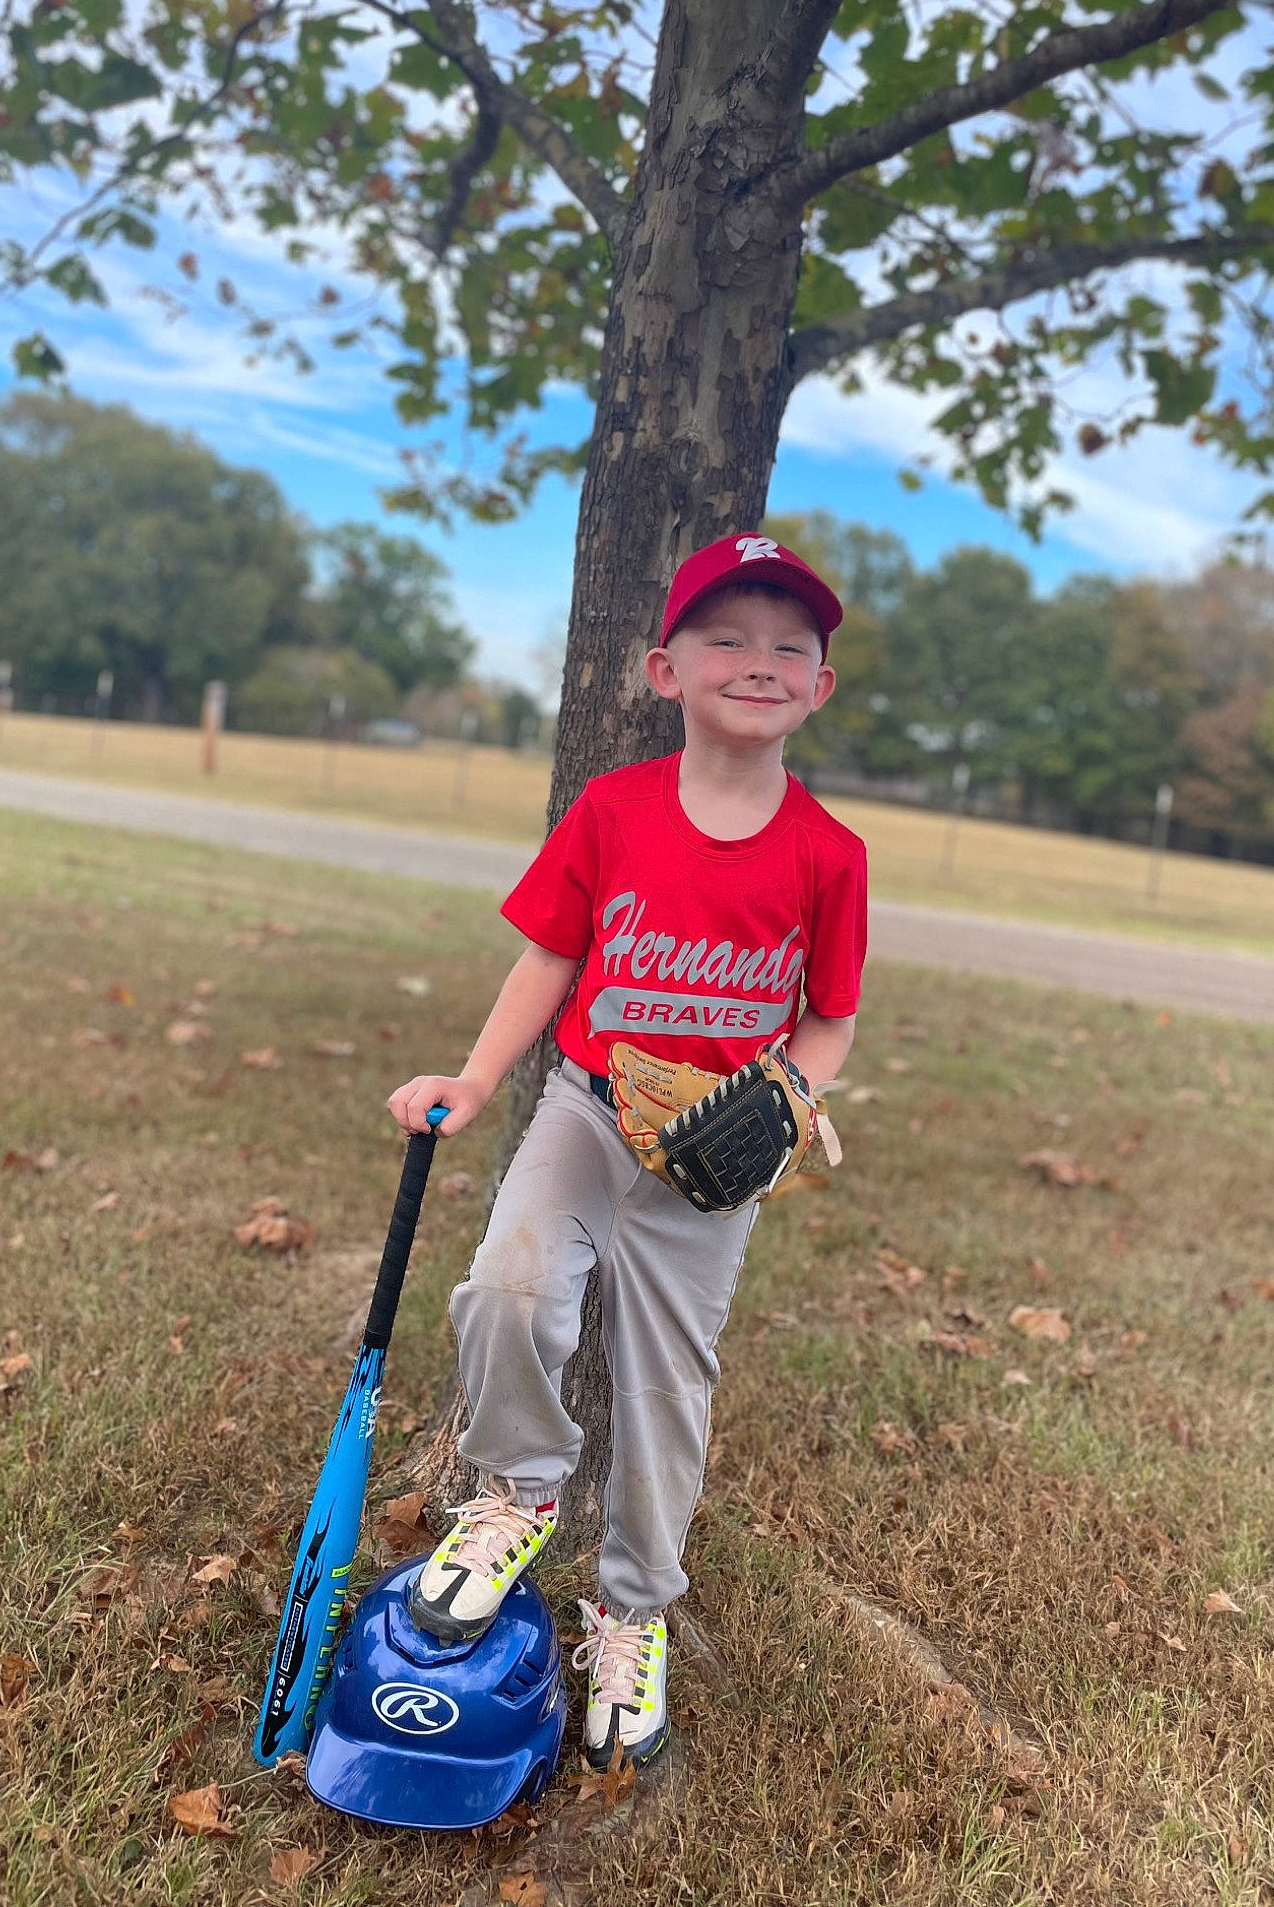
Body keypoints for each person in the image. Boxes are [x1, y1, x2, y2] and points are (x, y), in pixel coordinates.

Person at [387, 533, 868, 1770]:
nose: (757, 661)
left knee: (665, 1382)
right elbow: (549, 952)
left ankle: (633, 1605)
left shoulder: (830, 855)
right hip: (591, 1109)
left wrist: (793, 1098)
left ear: (820, 686)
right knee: (508, 1284)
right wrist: (479, 1078)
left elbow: (830, 1014)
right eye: (726, 636)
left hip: (717, 1152)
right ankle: (520, 1492)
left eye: (789, 646)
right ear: (665, 668)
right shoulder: (613, 811)